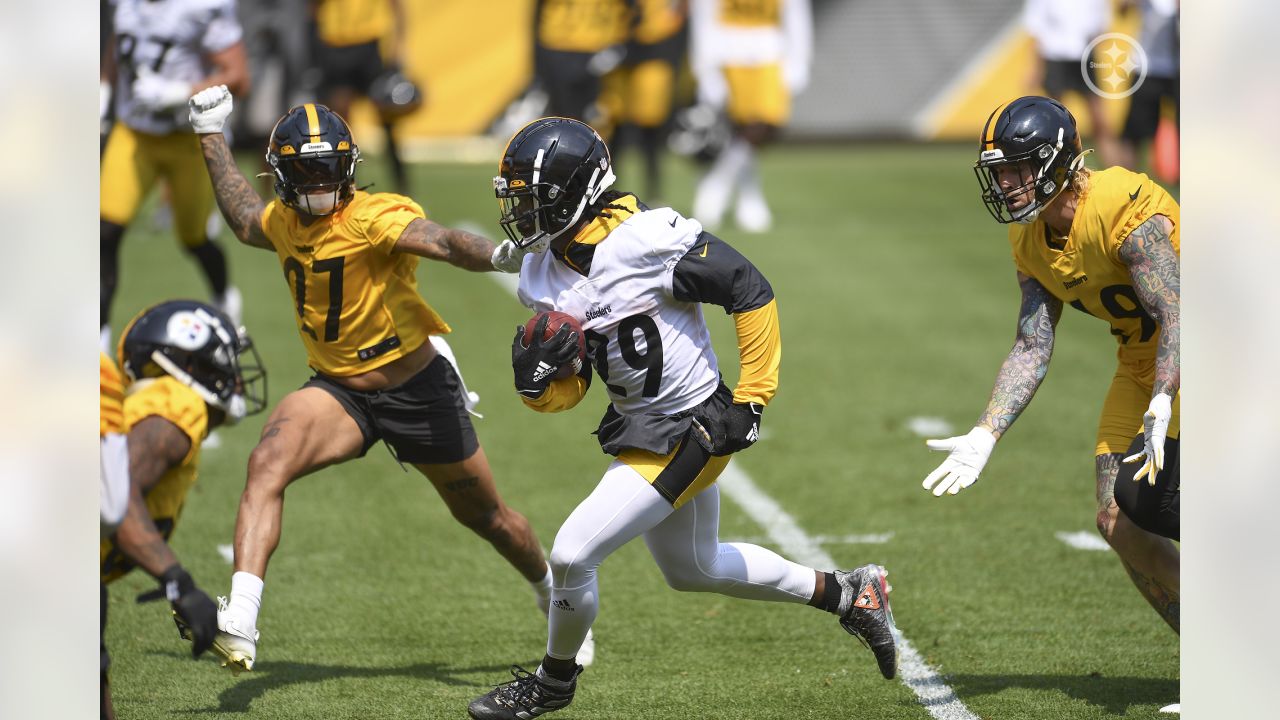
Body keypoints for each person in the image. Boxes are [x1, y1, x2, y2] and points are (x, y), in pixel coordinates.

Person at [467, 117, 898, 720]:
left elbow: (750, 288)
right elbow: (572, 390)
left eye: (534, 198)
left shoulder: (645, 240)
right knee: (695, 568)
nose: (524, 213)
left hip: (698, 425)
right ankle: (851, 593)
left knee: (570, 555)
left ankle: (552, 684)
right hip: (642, 427)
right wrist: (542, 386)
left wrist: (752, 399)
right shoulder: (541, 274)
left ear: (574, 191)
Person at [186, 86, 557, 675]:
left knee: (489, 519)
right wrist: (210, 132)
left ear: (349, 168)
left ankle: (551, 596)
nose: (319, 183)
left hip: (416, 387)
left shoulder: (370, 215)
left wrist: (501, 256)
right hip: (339, 390)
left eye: (328, 169)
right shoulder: (283, 219)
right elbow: (241, 216)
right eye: (306, 172)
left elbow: (443, 240)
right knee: (267, 462)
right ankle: (242, 621)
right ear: (283, 177)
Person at [923, 96, 1180, 633]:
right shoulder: (1030, 236)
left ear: (1055, 162)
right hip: (1140, 361)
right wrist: (985, 434)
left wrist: (1162, 400)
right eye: (1000, 173)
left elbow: (1179, 312)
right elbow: (1032, 345)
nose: (1006, 184)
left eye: (1017, 170)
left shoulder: (1121, 207)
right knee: (1116, 521)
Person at [100, 300, 268, 719]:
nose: (234, 377)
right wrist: (177, 581)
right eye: (221, 362)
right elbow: (111, 497)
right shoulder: (177, 404)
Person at [100, 0, 251, 351]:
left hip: (187, 139)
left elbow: (239, 77)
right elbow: (121, 45)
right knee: (105, 233)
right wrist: (104, 89)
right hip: (135, 132)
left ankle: (224, 298)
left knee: (194, 240)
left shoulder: (202, 6)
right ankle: (100, 340)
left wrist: (182, 93)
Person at [689, 0, 811, 233]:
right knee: (738, 128)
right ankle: (749, 197)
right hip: (727, 52)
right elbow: (704, 15)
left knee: (766, 125)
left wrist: (799, 60)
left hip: (770, 53)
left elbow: (796, 16)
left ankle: (718, 182)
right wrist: (705, 67)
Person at [310, 0, 420, 194]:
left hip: (369, 44)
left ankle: (402, 187)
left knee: (387, 117)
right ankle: (346, 186)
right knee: (340, 124)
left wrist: (398, 47)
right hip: (335, 44)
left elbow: (397, 7)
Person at [1022, 0, 1118, 166]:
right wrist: (1036, 68)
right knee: (1054, 119)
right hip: (1055, 55)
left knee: (1100, 121)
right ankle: (1056, 165)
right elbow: (1036, 28)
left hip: (1084, 57)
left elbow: (1102, 25)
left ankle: (1113, 167)